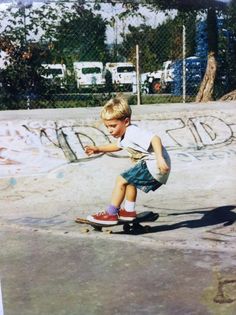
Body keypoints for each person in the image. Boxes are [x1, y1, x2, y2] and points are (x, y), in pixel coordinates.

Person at [84, 97, 171, 225]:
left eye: (113, 126)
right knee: (130, 182)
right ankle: (128, 212)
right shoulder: (125, 135)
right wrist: (98, 149)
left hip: (155, 165)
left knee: (121, 179)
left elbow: (155, 138)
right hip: (153, 165)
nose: (110, 130)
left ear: (126, 121)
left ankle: (111, 213)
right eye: (107, 127)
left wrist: (159, 159)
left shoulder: (132, 132)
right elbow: (117, 146)